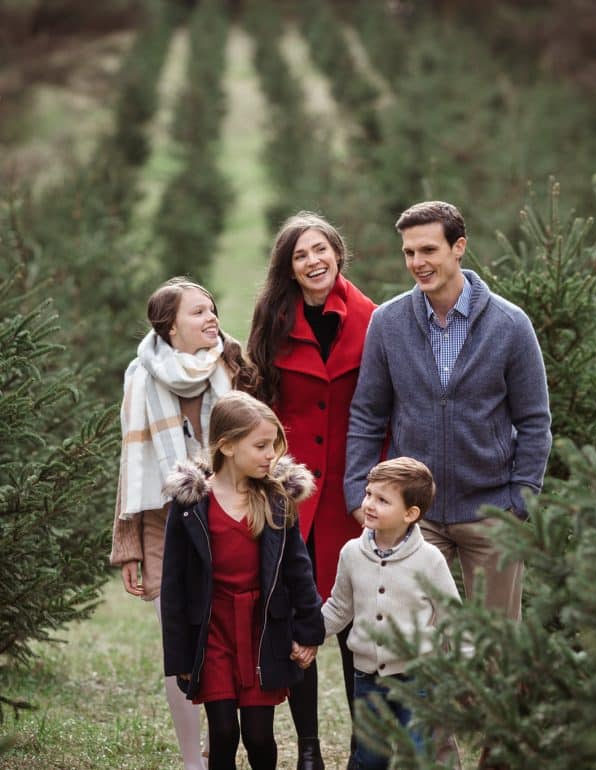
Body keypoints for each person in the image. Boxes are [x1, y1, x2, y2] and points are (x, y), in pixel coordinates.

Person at [345, 201, 552, 621]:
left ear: (458, 247)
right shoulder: (388, 323)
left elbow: (534, 421)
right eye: (409, 253)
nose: (418, 263)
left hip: (492, 513)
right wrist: (357, 493)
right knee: (416, 647)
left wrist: (520, 499)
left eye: (428, 250)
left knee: (495, 649)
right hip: (415, 516)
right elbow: (368, 415)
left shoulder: (510, 325)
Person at [110, 277, 257, 770]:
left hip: (229, 514)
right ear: (171, 328)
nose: (211, 317)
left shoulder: (233, 366)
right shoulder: (140, 379)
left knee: (233, 639)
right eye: (198, 313)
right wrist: (128, 543)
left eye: (212, 308)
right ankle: (193, 759)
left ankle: (226, 741)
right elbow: (131, 464)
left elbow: (262, 441)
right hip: (164, 523)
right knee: (181, 642)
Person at [247, 211, 376, 769]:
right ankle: (307, 750)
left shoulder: (374, 316)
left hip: (353, 491)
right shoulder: (273, 320)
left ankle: (362, 749)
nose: (313, 261)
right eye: (300, 255)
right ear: (289, 268)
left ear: (337, 254)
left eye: (320, 249)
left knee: (354, 623)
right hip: (293, 490)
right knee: (301, 615)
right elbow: (259, 396)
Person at [160, 391, 325, 770]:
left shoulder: (276, 500)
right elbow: (174, 586)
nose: (272, 455)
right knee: (222, 733)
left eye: (275, 445)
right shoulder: (191, 504)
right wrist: (180, 654)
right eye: (261, 445)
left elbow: (299, 570)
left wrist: (309, 632)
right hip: (212, 629)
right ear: (228, 446)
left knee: (257, 736)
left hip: (261, 629)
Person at [323, 457, 463, 769]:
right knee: (371, 757)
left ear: (410, 513)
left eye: (383, 500)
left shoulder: (430, 560)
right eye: (369, 493)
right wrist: (306, 634)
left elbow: (453, 618)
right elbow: (338, 607)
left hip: (418, 681)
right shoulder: (351, 554)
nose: (370, 504)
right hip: (367, 678)